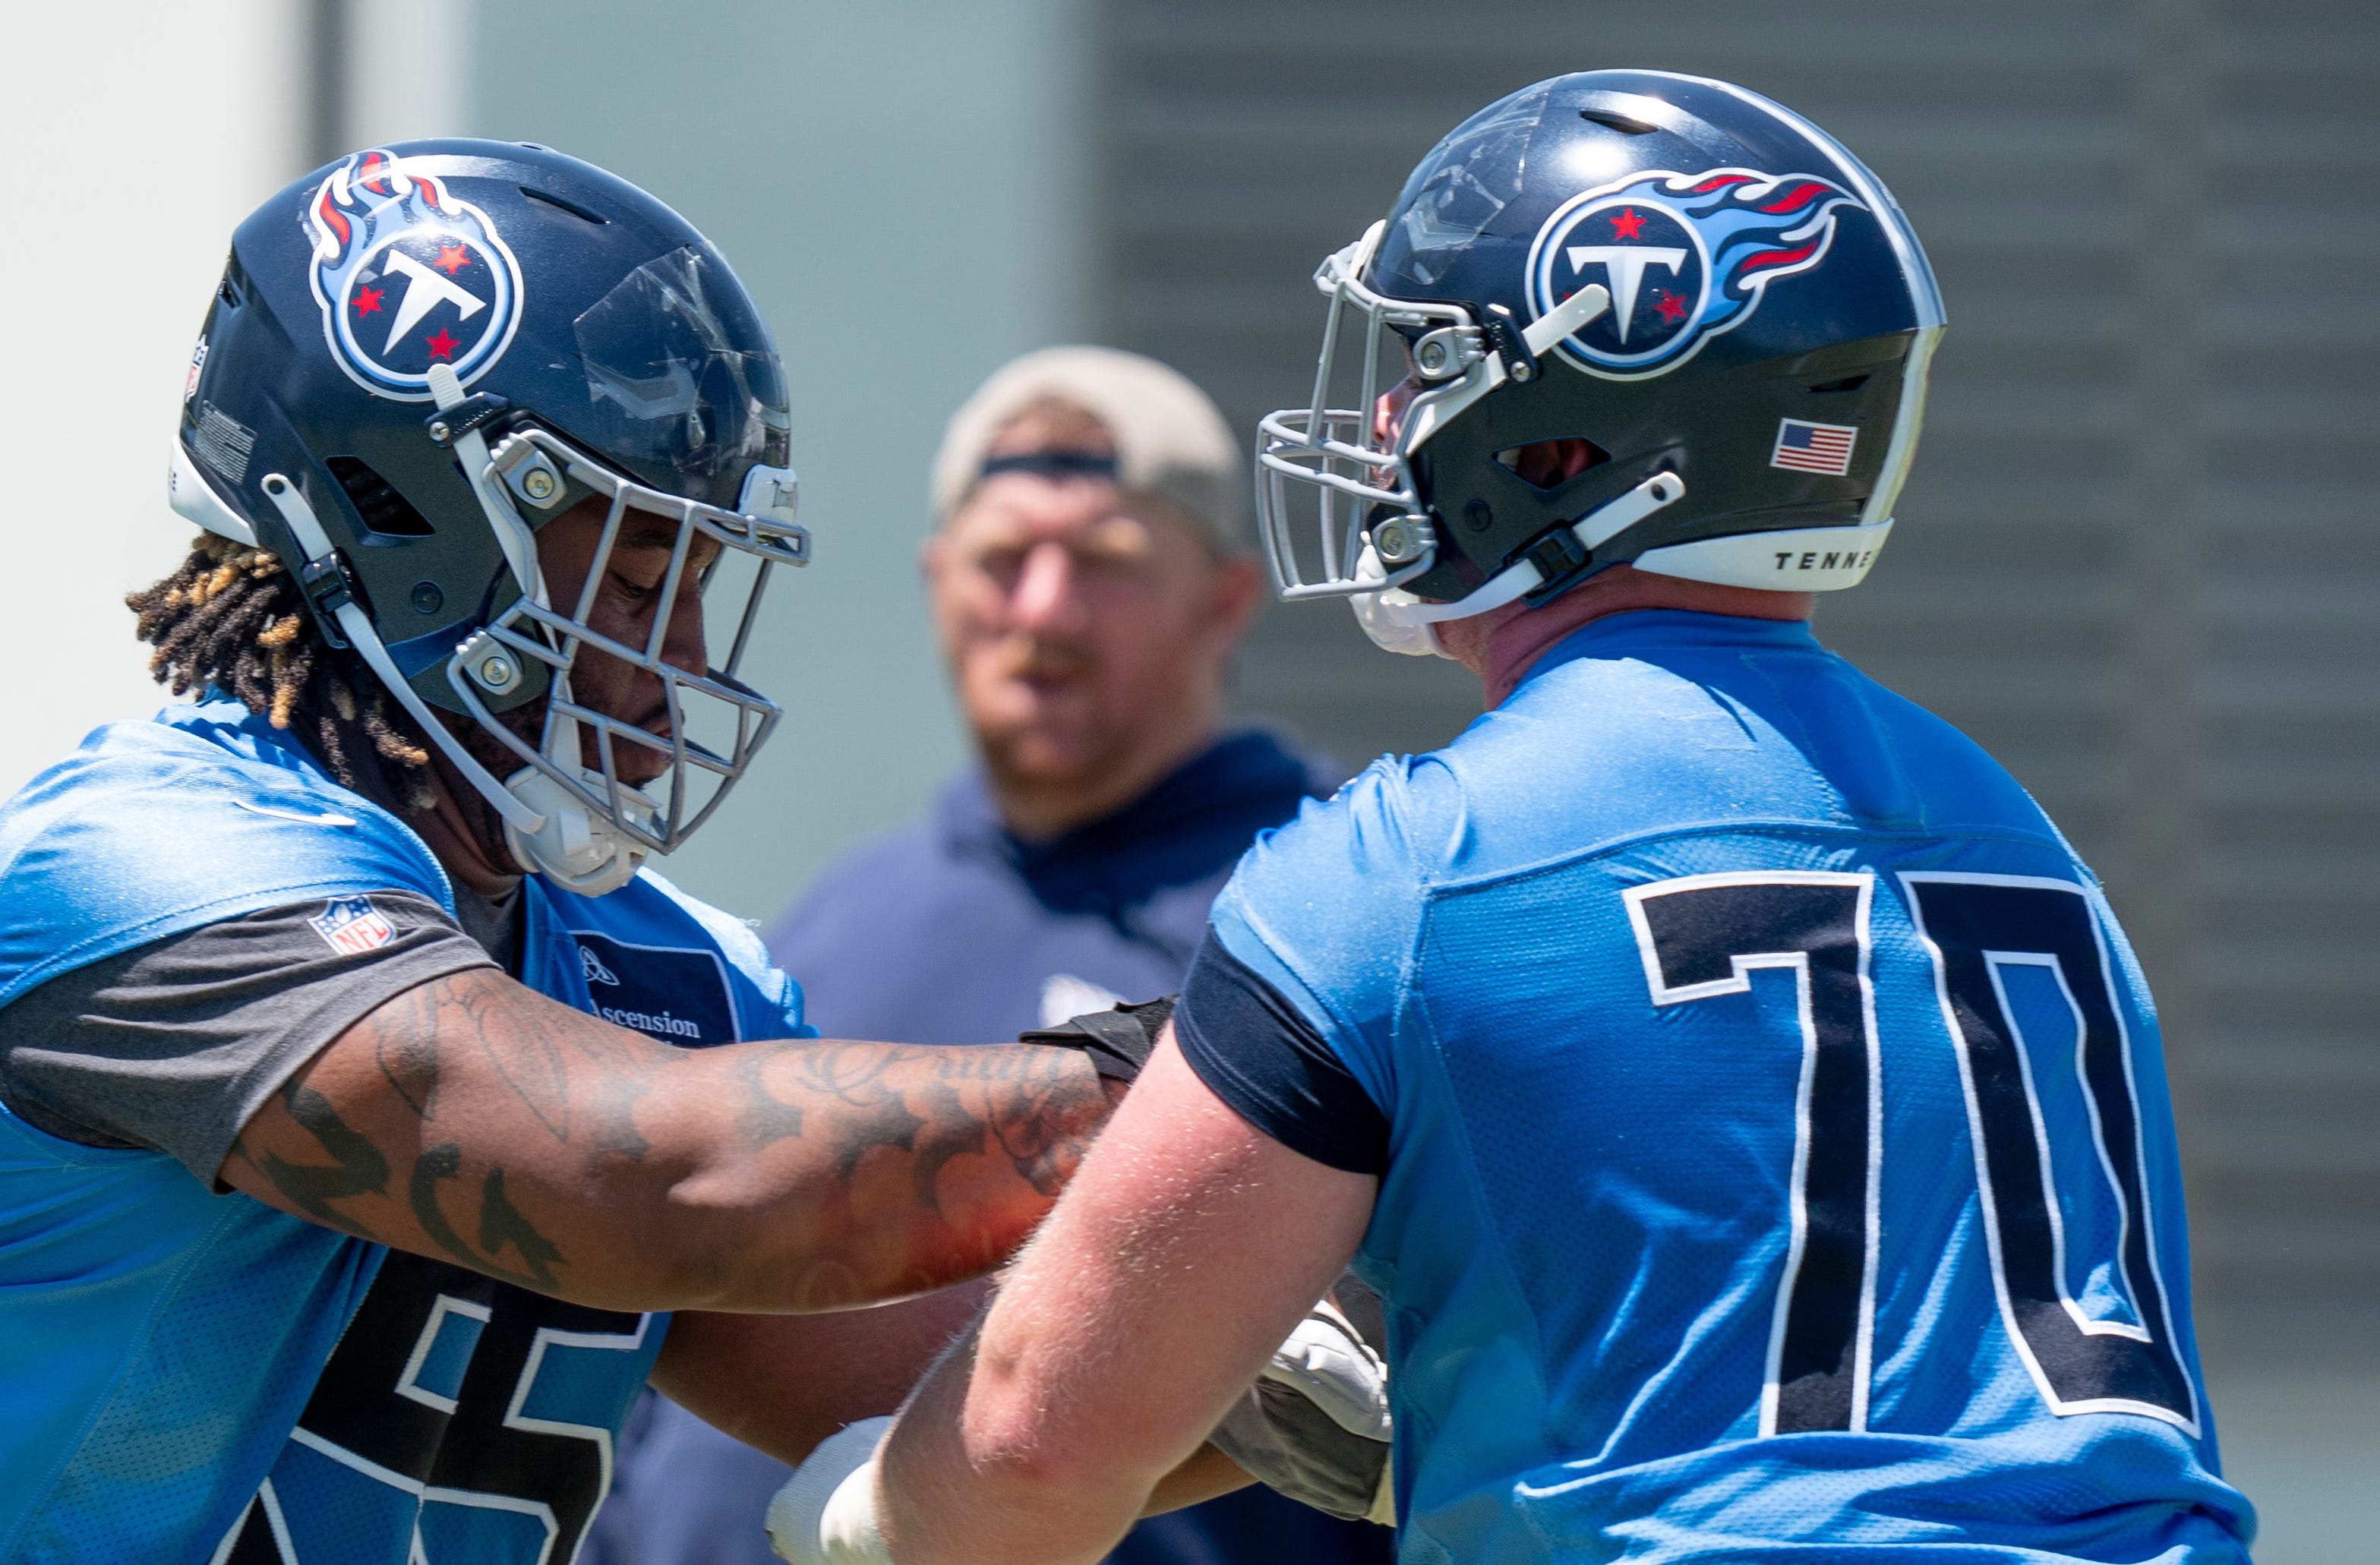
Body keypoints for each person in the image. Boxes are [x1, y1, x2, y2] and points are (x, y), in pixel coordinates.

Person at [766, 72, 2258, 1564]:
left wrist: (859, 1508)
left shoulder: (1413, 865)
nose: (1389, 415)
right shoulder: (2028, 843)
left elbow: (1034, 1442)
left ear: (1561, 443)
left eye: (1429, 364)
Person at [0, 141, 1232, 1565]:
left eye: (694, 585)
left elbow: (959, 1402)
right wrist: (1208, 1077)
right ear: (416, 527)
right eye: (632, 580)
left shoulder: (669, 974)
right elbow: (661, 1176)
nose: (676, 656)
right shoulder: (135, 868)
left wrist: (1354, 1315)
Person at [584, 349, 1387, 1565]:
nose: (1044, 609)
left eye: (1107, 565)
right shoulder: (838, 919)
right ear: (936, 582)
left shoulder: (1329, 903)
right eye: (1004, 560)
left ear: (1221, 603)